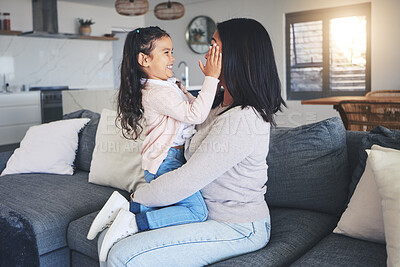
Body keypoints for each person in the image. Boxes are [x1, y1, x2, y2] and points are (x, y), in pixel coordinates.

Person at [97, 18, 286, 266]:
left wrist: (137, 197)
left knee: (122, 256)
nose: (207, 53)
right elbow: (186, 119)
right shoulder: (218, 105)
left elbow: (187, 179)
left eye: (214, 46)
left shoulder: (244, 119)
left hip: (236, 224)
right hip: (197, 211)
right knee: (105, 241)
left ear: (237, 56)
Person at [86, 26, 222, 261]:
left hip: (171, 160)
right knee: (196, 211)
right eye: (166, 52)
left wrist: (213, 88)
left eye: (172, 51)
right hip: (166, 162)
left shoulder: (168, 86)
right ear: (144, 59)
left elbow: (198, 108)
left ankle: (126, 208)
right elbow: (195, 116)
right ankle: (135, 220)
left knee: (182, 206)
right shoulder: (156, 92)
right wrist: (211, 78)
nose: (173, 58)